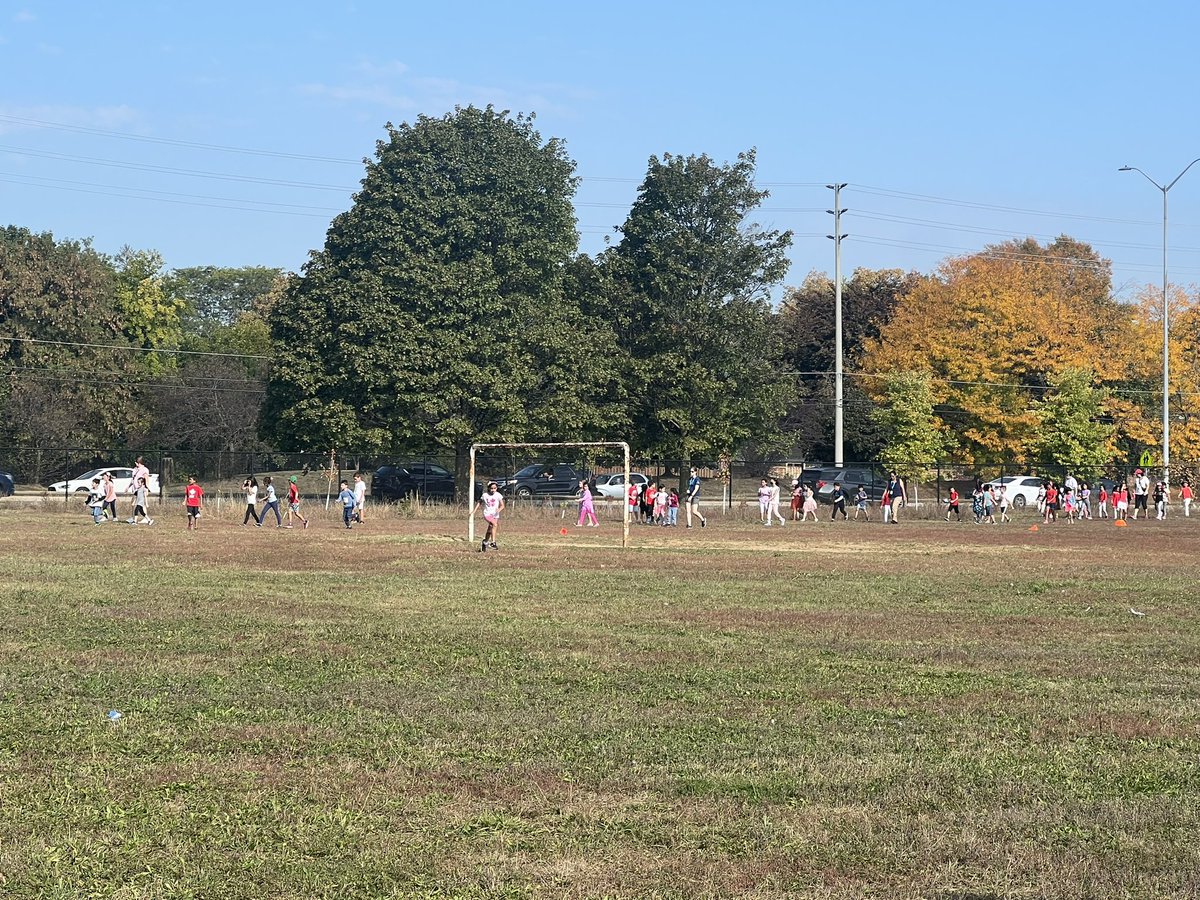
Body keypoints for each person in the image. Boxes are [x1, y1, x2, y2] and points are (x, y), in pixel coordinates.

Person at [474, 481, 504, 551]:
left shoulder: (498, 495)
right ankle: (493, 542)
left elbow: (502, 505)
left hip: (495, 514)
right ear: (488, 488)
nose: (493, 490)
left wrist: (499, 510)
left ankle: (485, 542)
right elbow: (479, 502)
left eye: (495, 488)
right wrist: (474, 510)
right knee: (495, 524)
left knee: (490, 529)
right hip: (487, 513)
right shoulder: (485, 495)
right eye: (491, 488)